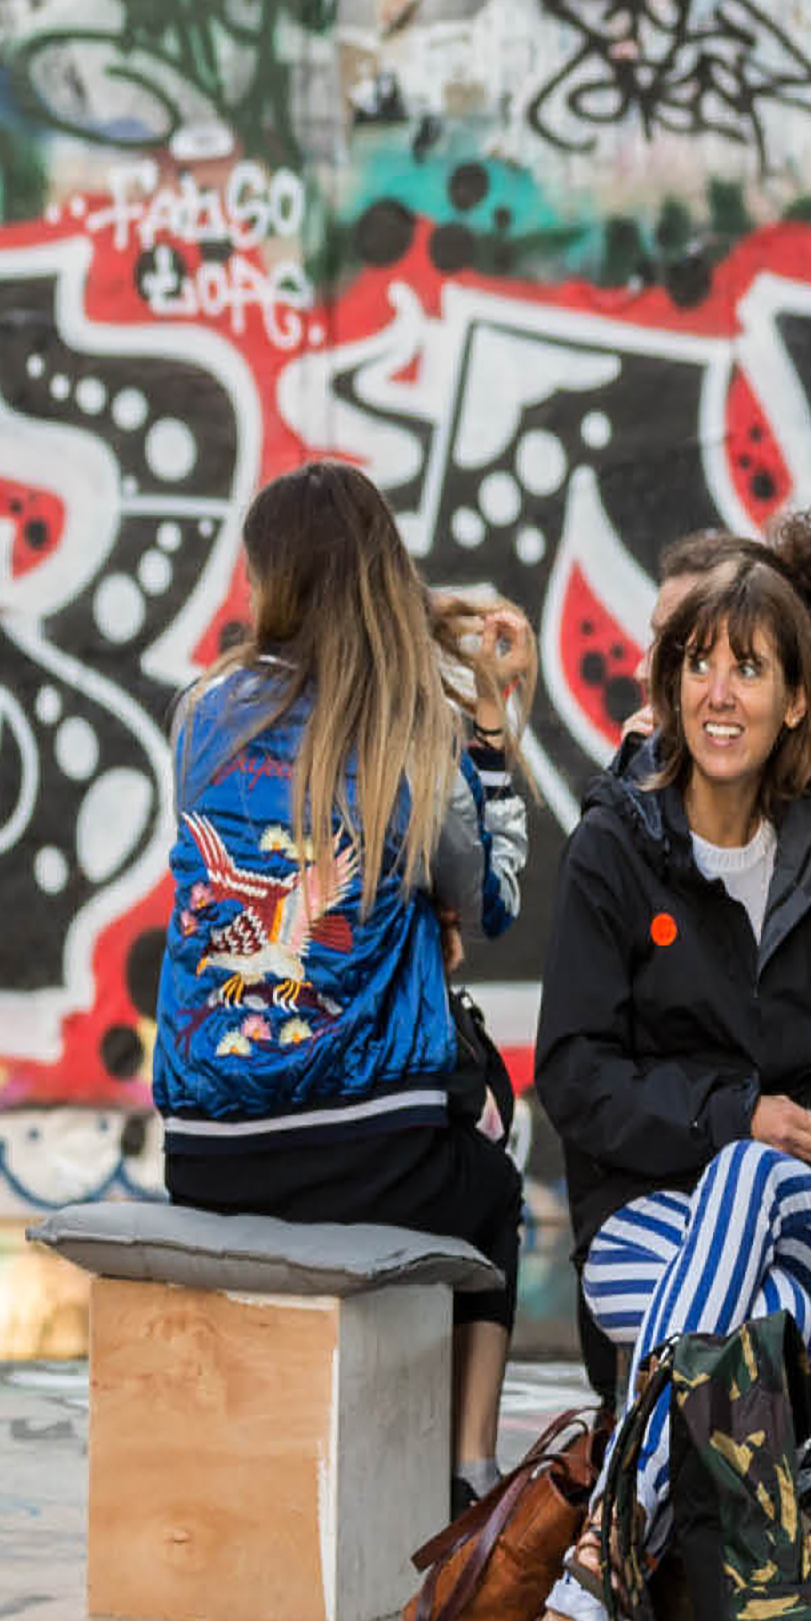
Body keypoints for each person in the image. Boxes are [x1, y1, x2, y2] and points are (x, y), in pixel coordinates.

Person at [525, 542, 811, 1621]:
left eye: (750, 669)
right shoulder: (614, 852)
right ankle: (729, 1606)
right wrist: (735, 1117)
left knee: (752, 1186)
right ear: (672, 687)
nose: (720, 692)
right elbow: (571, 1078)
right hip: (642, 1226)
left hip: (804, 1213)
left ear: (796, 702)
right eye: (699, 665)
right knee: (753, 1315)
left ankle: (595, 1584)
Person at [154, 462, 530, 1513]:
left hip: (209, 1152)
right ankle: (468, 1472)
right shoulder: (416, 733)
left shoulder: (200, 717)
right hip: (372, 1155)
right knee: (495, 1191)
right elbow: (490, 899)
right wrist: (493, 735)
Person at [620, 516, 811, 874]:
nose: (644, 670)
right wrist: (636, 791)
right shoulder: (649, 783)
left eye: (692, 650)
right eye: (698, 662)